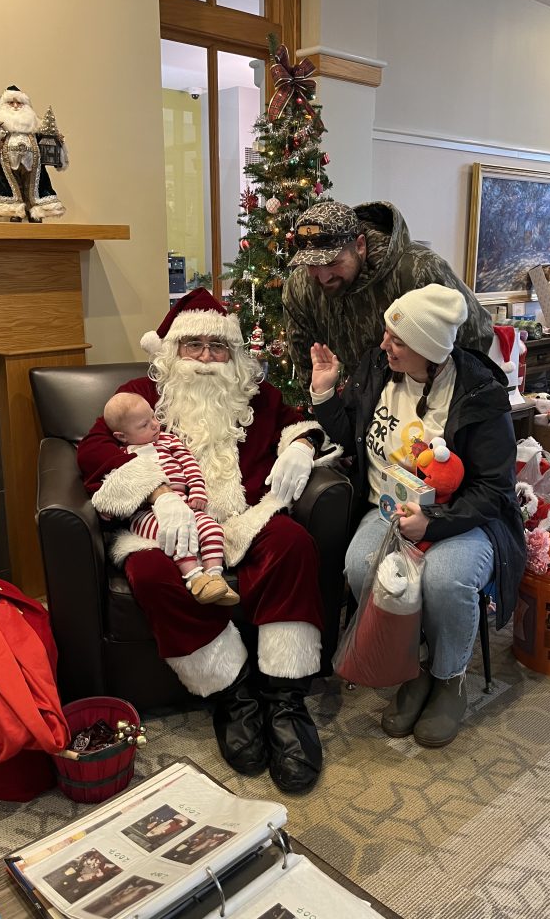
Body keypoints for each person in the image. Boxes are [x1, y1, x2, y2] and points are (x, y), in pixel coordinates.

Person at [77, 287, 339, 793]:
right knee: (149, 572)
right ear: (172, 350)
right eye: (192, 345)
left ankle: (285, 702)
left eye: (217, 347)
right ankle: (233, 696)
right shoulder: (140, 394)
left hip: (240, 518)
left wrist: (302, 446)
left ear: (233, 353)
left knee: (293, 545)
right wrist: (158, 493)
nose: (204, 358)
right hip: (169, 528)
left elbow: (297, 423)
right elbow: (92, 449)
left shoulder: (255, 395)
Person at [310, 284, 525, 748]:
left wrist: (435, 524)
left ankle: (449, 678)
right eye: (388, 334)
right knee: (362, 564)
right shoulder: (377, 370)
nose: (384, 344)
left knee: (444, 579)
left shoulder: (480, 393)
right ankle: (416, 666)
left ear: (429, 350)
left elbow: (494, 489)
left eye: (398, 339)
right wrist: (326, 395)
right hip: (388, 507)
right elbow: (353, 437)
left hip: (464, 516)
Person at [283, 200, 493, 392]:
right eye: (311, 264)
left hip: (419, 411)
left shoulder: (417, 270)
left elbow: (476, 335)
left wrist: (439, 397)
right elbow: (305, 362)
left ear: (360, 245)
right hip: (344, 415)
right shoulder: (300, 286)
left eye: (332, 263)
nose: (323, 276)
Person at [103, 390, 238, 607]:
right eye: (144, 425)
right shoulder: (124, 455)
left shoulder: (168, 440)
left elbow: (190, 465)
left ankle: (215, 577)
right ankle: (195, 578)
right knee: (175, 535)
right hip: (145, 515)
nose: (155, 425)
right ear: (122, 436)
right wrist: (109, 508)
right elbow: (117, 487)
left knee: (212, 529)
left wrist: (196, 490)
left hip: (185, 503)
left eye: (154, 417)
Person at [0, 85, 68, 222]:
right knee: (11, 185)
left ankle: (34, 211)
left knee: (33, 185)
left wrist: (57, 142)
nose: (15, 106)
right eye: (11, 103)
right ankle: (15, 211)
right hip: (8, 163)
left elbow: (46, 139)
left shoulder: (34, 125)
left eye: (19, 103)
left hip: (33, 163)